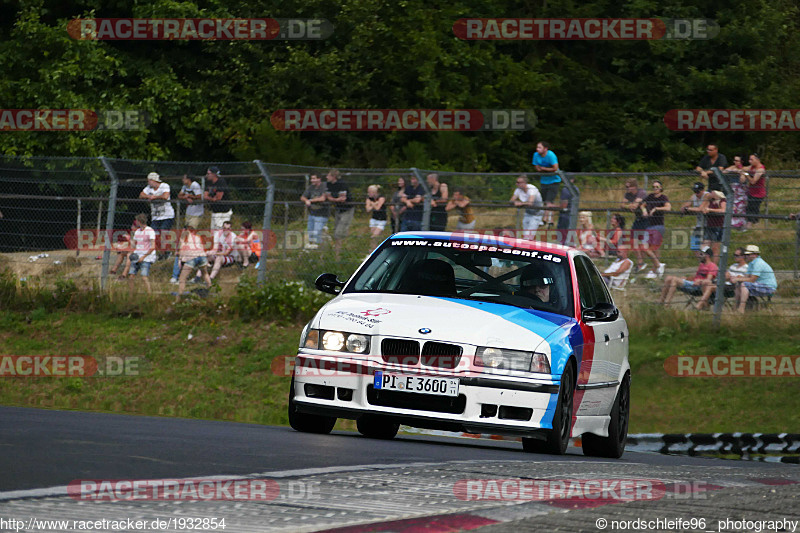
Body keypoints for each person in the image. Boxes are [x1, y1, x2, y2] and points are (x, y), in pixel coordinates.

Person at [139, 172, 174, 259]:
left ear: (154, 180)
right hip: (156, 216)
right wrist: (148, 196)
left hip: (167, 215)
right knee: (153, 235)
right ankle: (162, 252)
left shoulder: (164, 186)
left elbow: (166, 196)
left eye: (149, 181)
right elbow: (141, 195)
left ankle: (166, 252)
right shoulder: (148, 188)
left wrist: (155, 197)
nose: (148, 183)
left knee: (164, 233)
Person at [733, 244, 777, 313]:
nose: (746, 256)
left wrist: (738, 279)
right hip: (760, 285)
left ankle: (741, 308)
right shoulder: (752, 263)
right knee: (739, 284)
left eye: (748, 255)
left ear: (754, 255)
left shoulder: (758, 263)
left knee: (744, 284)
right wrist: (738, 278)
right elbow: (747, 277)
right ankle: (735, 307)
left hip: (768, 287)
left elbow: (752, 279)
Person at [175, 223, 211, 302]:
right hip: (202, 256)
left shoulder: (184, 237)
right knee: (205, 273)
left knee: (182, 278)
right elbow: (201, 247)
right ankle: (210, 291)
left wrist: (180, 260)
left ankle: (178, 299)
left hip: (192, 257)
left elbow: (182, 249)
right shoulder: (197, 237)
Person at [642, 180, 670, 279]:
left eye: (657, 187)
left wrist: (657, 209)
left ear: (661, 188)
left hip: (658, 225)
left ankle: (654, 270)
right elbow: (642, 204)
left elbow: (668, 208)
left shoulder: (663, 197)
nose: (655, 189)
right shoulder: (650, 197)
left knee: (654, 248)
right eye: (653, 187)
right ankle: (658, 265)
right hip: (649, 225)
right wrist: (644, 210)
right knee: (644, 247)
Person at [621, 178, 648, 272]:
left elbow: (635, 205)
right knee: (633, 240)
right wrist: (630, 206)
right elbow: (622, 205)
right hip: (638, 219)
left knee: (646, 244)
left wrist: (632, 205)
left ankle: (656, 264)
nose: (627, 188)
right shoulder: (627, 194)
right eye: (626, 187)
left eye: (629, 187)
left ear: (634, 187)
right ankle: (640, 262)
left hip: (647, 219)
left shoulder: (641, 192)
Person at [325, 169, 354, 256]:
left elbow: (343, 198)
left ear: (333, 177)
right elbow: (328, 196)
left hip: (347, 210)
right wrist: (336, 199)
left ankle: (338, 254)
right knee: (336, 231)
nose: (326, 177)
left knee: (339, 233)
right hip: (338, 210)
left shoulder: (342, 184)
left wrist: (333, 199)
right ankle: (339, 251)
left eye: (328, 175)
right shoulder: (329, 184)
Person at [127, 213, 157, 294]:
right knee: (131, 276)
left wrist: (143, 257)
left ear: (139, 221)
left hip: (146, 257)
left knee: (144, 277)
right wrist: (130, 239)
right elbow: (134, 245)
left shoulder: (150, 231)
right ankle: (131, 294)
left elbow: (153, 247)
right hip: (137, 255)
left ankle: (149, 293)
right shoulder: (137, 231)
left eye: (136, 221)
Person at [531, 141, 560, 227]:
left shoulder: (551, 155)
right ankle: (551, 220)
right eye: (537, 147)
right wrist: (541, 169)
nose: (537, 149)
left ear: (545, 149)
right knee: (545, 201)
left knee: (549, 201)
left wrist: (544, 169)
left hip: (554, 180)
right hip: (544, 181)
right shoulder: (536, 155)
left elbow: (555, 168)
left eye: (540, 147)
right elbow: (536, 166)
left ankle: (545, 219)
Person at [510, 175, 544, 239]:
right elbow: (511, 200)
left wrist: (520, 203)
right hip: (528, 212)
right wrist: (515, 202)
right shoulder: (518, 190)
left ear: (524, 183)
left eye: (518, 182)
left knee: (529, 234)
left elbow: (530, 202)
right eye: (516, 182)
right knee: (525, 232)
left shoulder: (532, 188)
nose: (516, 184)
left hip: (537, 212)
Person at [300, 173, 328, 248]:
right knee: (310, 232)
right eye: (311, 179)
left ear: (319, 179)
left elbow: (323, 198)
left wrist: (311, 200)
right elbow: (302, 197)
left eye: (314, 178)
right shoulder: (311, 187)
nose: (312, 180)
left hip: (321, 214)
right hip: (312, 213)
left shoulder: (324, 186)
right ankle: (312, 248)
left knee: (317, 232)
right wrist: (306, 200)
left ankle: (319, 248)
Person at [681, 182, 708, 254]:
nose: (696, 193)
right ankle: (702, 263)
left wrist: (688, 209)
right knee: (694, 246)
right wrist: (685, 208)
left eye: (698, 192)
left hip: (708, 225)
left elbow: (700, 208)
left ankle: (709, 263)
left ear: (702, 190)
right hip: (699, 224)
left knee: (705, 248)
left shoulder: (707, 195)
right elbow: (685, 206)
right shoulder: (694, 196)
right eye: (695, 191)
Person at [700, 189, 726, 264]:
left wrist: (710, 210)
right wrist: (705, 209)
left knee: (715, 248)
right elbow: (704, 208)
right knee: (704, 246)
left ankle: (713, 266)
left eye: (712, 192)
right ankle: (706, 263)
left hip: (718, 226)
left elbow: (723, 210)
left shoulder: (722, 200)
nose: (710, 193)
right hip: (709, 225)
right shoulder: (710, 201)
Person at [742, 154, 766, 229]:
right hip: (751, 191)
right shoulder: (752, 167)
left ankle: (751, 223)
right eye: (749, 159)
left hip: (758, 193)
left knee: (754, 208)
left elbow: (753, 181)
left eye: (751, 160)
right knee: (749, 207)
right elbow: (744, 168)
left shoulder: (760, 169)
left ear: (757, 160)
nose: (750, 161)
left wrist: (746, 174)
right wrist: (742, 172)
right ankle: (754, 223)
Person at [204, 166, 232, 230]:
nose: (207, 175)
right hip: (215, 210)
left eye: (208, 174)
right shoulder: (209, 182)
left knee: (220, 231)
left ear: (214, 174)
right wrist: (212, 199)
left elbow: (218, 198)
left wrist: (211, 198)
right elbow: (205, 196)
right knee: (213, 232)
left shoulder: (221, 182)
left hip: (223, 212)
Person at [724, 155, 748, 230]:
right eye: (734, 160)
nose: (735, 162)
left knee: (740, 208)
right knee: (732, 207)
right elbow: (724, 171)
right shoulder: (732, 167)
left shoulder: (744, 169)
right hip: (732, 191)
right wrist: (734, 171)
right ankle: (732, 224)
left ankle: (741, 224)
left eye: (737, 161)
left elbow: (743, 179)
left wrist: (741, 173)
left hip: (740, 191)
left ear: (741, 162)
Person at [365, 185, 387, 249]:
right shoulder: (369, 198)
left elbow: (378, 208)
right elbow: (368, 209)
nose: (368, 194)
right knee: (373, 238)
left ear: (374, 192)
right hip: (374, 219)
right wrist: (374, 204)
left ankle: (372, 251)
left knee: (375, 236)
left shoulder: (381, 197)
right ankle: (372, 251)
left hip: (381, 220)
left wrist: (372, 204)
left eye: (370, 192)